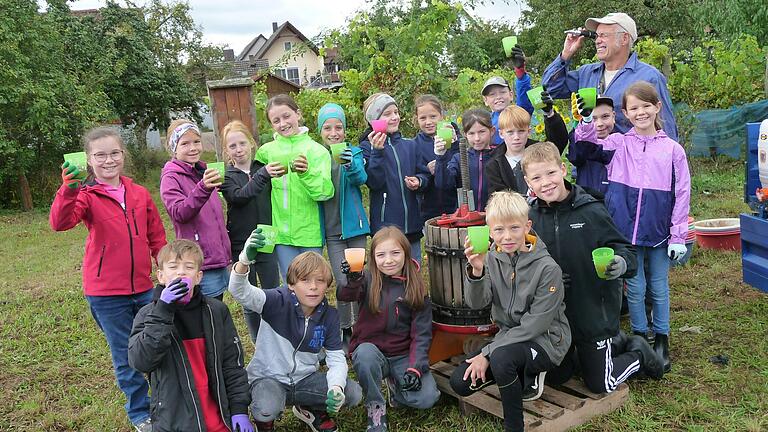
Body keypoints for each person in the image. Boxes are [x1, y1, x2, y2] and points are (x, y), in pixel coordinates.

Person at [522, 142, 665, 393]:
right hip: (555, 317)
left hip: (593, 313)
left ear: (563, 169)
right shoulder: (530, 218)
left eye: (551, 173)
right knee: (558, 377)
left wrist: (619, 264)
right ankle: (614, 343)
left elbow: (627, 251)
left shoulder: (592, 210)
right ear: (528, 182)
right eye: (537, 177)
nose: (546, 182)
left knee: (601, 383)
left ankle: (639, 353)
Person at [50, 127, 166, 432]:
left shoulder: (140, 193)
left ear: (123, 155)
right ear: (89, 160)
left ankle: (165, 402)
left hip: (144, 288)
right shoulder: (85, 196)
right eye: (99, 155)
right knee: (125, 354)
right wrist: (69, 189)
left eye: (114, 153)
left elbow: (156, 234)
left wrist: (165, 266)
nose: (108, 160)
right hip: (106, 294)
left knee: (153, 346)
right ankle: (141, 413)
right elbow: (60, 223)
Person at [573, 81, 691, 372]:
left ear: (657, 107)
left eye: (646, 106)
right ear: (625, 113)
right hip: (626, 234)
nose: (641, 112)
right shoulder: (618, 143)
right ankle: (640, 335)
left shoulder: (672, 150)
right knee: (635, 288)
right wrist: (586, 119)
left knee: (659, 287)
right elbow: (585, 147)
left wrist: (678, 235)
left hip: (660, 233)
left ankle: (661, 336)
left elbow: (682, 193)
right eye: (634, 108)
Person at [449, 191, 570, 432]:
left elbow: (535, 325)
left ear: (527, 226)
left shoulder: (547, 269)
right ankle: (518, 372)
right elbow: (478, 303)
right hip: (509, 339)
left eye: (515, 228)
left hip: (546, 341)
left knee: (502, 358)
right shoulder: (492, 257)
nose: (507, 237)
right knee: (460, 382)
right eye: (499, 230)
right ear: (490, 231)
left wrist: (489, 353)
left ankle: (514, 426)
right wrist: (476, 271)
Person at [229, 238, 362, 432]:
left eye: (320, 281)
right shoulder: (276, 300)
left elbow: (335, 357)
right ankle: (265, 422)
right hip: (269, 378)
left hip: (304, 379)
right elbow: (240, 292)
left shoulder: (330, 315)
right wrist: (243, 261)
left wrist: (336, 387)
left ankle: (309, 409)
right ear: (291, 284)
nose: (313, 287)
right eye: (305, 280)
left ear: (327, 285)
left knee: (353, 393)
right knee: (266, 407)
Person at [127, 240, 253, 432]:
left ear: (198, 276)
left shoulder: (216, 311)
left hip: (219, 419)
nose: (181, 272)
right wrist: (162, 311)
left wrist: (239, 409)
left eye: (189, 266)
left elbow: (232, 365)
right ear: (161, 276)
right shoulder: (148, 315)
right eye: (173, 266)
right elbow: (141, 361)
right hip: (175, 422)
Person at [338, 226, 440, 432]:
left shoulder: (416, 287)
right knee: (365, 356)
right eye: (381, 255)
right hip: (371, 352)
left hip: (402, 355)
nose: (388, 260)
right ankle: (375, 406)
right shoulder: (366, 279)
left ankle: (395, 385)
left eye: (395, 253)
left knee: (428, 398)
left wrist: (415, 368)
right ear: (373, 258)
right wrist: (353, 278)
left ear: (406, 252)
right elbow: (345, 295)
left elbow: (421, 335)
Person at [542, 12, 678, 141]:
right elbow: (549, 90)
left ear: (624, 38)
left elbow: (666, 128)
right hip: (589, 163)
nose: (597, 41)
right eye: (596, 36)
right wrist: (566, 54)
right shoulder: (586, 73)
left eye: (604, 35)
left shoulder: (649, 77)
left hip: (627, 162)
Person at [254, 94, 335, 281]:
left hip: (309, 233)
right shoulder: (266, 152)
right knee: (290, 284)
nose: (282, 123)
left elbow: (325, 192)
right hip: (281, 235)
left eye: (286, 116)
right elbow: (253, 186)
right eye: (276, 120)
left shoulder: (317, 151)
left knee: (312, 283)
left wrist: (306, 173)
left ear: (298, 114)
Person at [219, 120, 282, 344]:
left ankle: (277, 338)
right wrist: (263, 175)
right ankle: (258, 343)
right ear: (226, 151)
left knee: (272, 291)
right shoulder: (226, 177)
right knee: (248, 296)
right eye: (233, 146)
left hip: (267, 238)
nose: (239, 149)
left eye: (242, 143)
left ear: (251, 143)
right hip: (241, 242)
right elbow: (240, 196)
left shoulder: (260, 167)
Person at [317, 102, 370, 352]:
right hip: (332, 231)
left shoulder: (355, 152)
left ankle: (362, 326)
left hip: (355, 228)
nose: (334, 132)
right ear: (320, 131)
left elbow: (361, 179)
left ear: (344, 130)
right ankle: (346, 328)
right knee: (341, 280)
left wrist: (351, 165)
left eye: (338, 127)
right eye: (327, 128)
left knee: (357, 277)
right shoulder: (318, 156)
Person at [160, 119, 231, 299]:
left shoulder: (203, 170)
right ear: (173, 148)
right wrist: (203, 188)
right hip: (199, 260)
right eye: (185, 143)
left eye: (196, 142)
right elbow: (179, 212)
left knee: (216, 308)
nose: (193, 148)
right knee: (204, 312)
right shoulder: (171, 178)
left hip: (217, 256)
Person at [359, 93, 430, 262]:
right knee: (389, 272)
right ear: (373, 120)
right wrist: (378, 151)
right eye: (387, 114)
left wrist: (419, 181)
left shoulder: (410, 145)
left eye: (396, 112)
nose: (394, 117)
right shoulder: (366, 148)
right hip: (385, 227)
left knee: (413, 272)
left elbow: (425, 175)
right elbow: (374, 183)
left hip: (411, 225)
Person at [485, 98, 568, 196]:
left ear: (528, 131)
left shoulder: (540, 151)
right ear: (501, 134)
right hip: (514, 210)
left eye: (521, 131)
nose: (516, 137)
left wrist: (550, 115)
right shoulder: (494, 164)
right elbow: (499, 197)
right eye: (510, 132)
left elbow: (558, 141)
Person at [433, 108, 495, 211]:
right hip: (466, 220)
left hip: (495, 219)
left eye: (482, 132)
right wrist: (441, 156)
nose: (477, 138)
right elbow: (444, 184)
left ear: (492, 131)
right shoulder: (459, 159)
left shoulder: (499, 157)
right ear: (465, 134)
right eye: (471, 133)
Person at [413, 94, 459, 221]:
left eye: (433, 116)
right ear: (417, 119)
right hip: (429, 210)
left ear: (441, 116)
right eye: (423, 118)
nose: (428, 122)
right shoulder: (415, 144)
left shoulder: (454, 137)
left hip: (456, 207)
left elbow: (462, 166)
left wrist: (455, 143)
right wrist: (427, 169)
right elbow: (416, 172)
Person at [483, 44, 534, 146]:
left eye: (502, 92)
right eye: (492, 94)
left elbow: (524, 95)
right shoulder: (485, 121)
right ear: (485, 100)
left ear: (511, 95)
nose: (498, 97)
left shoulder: (519, 114)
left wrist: (520, 71)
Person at [567, 96, 616, 194]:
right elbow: (577, 155)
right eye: (593, 119)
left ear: (613, 116)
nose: (599, 124)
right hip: (588, 201)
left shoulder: (621, 141)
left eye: (605, 116)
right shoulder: (580, 141)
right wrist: (586, 122)